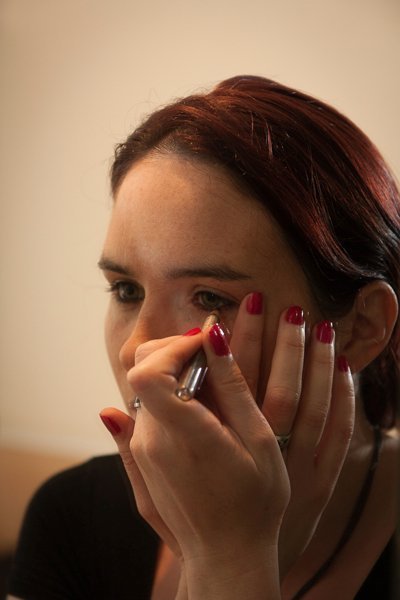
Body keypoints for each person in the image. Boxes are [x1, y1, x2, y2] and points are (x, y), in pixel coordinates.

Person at [7, 75, 399, 599]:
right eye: (126, 289)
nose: (135, 351)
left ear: (363, 326)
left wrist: (233, 561)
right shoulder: (71, 516)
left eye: (211, 298)